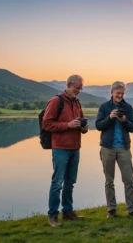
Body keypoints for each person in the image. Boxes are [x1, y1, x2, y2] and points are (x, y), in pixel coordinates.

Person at [43, 75, 88, 227]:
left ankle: (68, 213)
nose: (79, 91)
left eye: (81, 89)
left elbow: (80, 124)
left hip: (75, 148)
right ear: (69, 85)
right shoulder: (56, 101)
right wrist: (67, 125)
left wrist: (84, 127)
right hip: (60, 148)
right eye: (77, 88)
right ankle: (53, 216)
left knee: (70, 183)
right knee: (57, 183)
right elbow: (47, 124)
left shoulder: (77, 103)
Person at [95, 81, 133, 219]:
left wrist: (124, 119)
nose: (120, 95)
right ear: (112, 92)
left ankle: (132, 211)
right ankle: (111, 210)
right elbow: (98, 125)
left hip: (124, 148)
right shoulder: (104, 107)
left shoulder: (127, 107)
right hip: (107, 148)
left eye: (122, 93)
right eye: (118, 93)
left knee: (128, 180)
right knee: (109, 181)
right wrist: (109, 118)